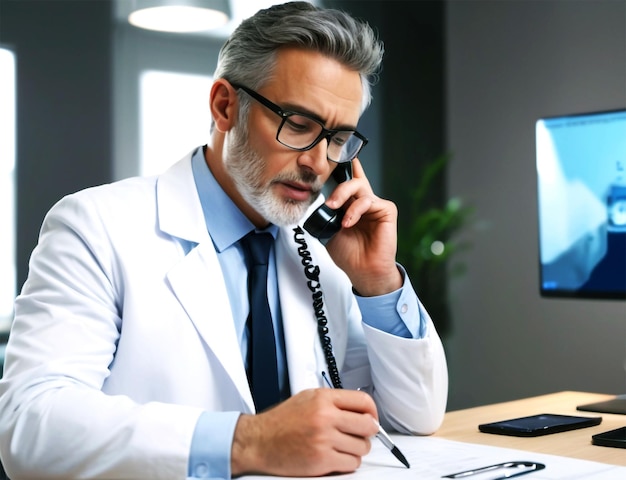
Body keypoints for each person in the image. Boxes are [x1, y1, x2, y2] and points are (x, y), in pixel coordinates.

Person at [0, 2, 448, 479]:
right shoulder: (94, 225)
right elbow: (30, 425)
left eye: (337, 139)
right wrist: (250, 441)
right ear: (225, 106)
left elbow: (412, 418)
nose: (319, 163)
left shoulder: (324, 251)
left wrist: (377, 282)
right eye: (298, 124)